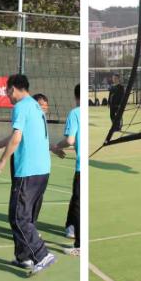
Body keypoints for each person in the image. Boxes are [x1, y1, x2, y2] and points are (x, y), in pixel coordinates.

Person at [0, 74, 56, 275]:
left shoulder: (20, 107)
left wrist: (2, 160)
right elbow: (18, 134)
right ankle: (24, 257)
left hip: (28, 170)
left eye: (6, 91)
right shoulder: (35, 106)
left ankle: (41, 254)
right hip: (42, 169)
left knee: (18, 217)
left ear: (13, 89)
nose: (6, 95)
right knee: (26, 216)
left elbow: (17, 137)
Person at [52, 84, 80, 255]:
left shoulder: (75, 113)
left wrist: (56, 147)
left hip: (81, 167)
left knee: (78, 201)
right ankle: (71, 227)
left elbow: (70, 141)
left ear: (75, 96)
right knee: (78, 199)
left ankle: (79, 244)